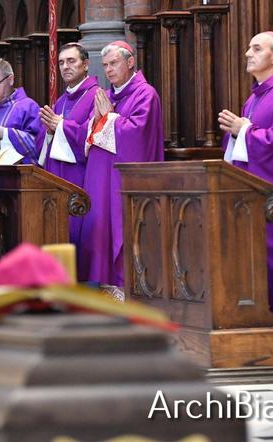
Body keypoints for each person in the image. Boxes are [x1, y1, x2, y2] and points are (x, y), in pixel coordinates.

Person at [218, 31, 273, 326]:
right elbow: (245, 142)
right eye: (248, 47)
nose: (247, 53)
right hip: (250, 196)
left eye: (256, 48)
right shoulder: (256, 96)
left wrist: (243, 130)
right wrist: (237, 131)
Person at [78, 40, 164, 295]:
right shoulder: (108, 96)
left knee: (121, 232)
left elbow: (137, 136)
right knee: (100, 232)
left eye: (114, 63)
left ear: (130, 62)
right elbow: (89, 133)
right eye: (104, 65)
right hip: (101, 182)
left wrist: (109, 118)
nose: (108, 70)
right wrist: (97, 120)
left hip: (123, 184)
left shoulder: (145, 94)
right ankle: (103, 292)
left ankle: (126, 292)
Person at [38, 42, 99, 246]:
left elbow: (93, 136)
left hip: (79, 177)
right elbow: (47, 140)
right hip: (57, 176)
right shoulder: (61, 100)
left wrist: (62, 126)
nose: (65, 66)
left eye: (71, 61)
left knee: (77, 229)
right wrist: (48, 131)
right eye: (61, 62)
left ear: (86, 64)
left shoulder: (96, 96)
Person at [0, 58, 42, 164]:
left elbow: (39, 145)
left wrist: (5, 134)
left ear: (10, 79)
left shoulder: (28, 107)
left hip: (15, 178)